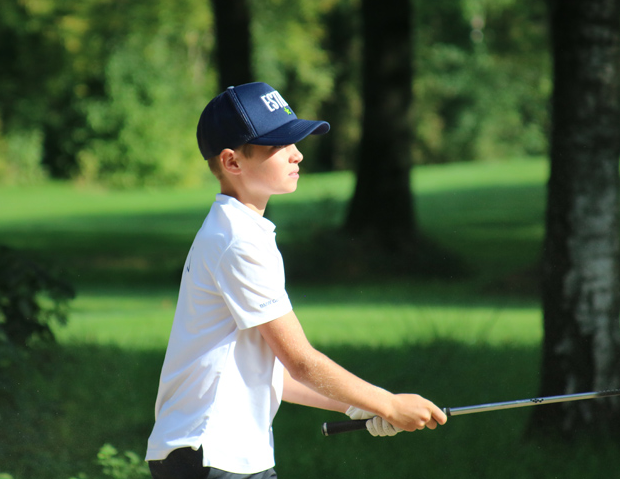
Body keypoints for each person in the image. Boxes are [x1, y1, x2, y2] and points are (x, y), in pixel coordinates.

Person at [145, 82, 446, 479]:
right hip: (213, 453)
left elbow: (276, 375)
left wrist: (360, 406)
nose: (297, 154)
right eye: (279, 146)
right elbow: (300, 361)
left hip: (211, 452)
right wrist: (388, 403)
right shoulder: (238, 242)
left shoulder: (238, 229)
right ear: (232, 162)